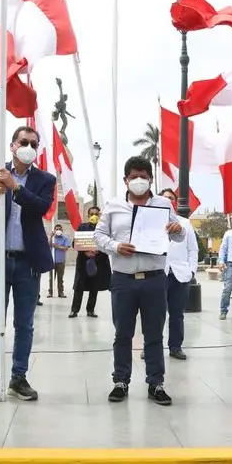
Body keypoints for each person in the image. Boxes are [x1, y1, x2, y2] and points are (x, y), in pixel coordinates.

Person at [0, 126, 57, 405]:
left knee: (24, 324)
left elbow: (40, 208)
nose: (28, 147)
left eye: (34, 144)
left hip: (27, 262)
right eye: (24, 142)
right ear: (12, 145)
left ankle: (18, 377)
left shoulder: (45, 179)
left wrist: (15, 187)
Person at [94, 156, 184, 406]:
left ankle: (156, 383)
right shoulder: (113, 206)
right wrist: (115, 246)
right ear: (125, 180)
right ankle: (120, 381)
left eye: (144, 176)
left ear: (151, 179)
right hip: (123, 279)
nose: (139, 181)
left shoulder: (164, 203)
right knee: (123, 333)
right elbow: (98, 236)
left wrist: (179, 230)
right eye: (134, 176)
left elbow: (177, 234)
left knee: (153, 334)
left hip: (154, 279)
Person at [160, 188, 197, 360]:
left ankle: (175, 347)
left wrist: (191, 270)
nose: (167, 200)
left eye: (170, 198)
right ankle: (151, 346)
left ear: (174, 202)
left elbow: (193, 249)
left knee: (177, 314)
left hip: (180, 274)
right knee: (154, 314)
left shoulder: (185, 223)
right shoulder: (152, 221)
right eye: (164, 198)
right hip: (158, 273)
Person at [70, 206, 110, 318]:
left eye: (96, 214)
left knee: (94, 287)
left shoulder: (103, 229)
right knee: (79, 287)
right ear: (88, 216)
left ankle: (90, 310)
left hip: (98, 262)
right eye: (92, 214)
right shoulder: (82, 227)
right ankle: (74, 310)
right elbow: (75, 244)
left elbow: (107, 245)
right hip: (83, 262)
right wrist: (85, 251)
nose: (94, 216)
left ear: (100, 215)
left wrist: (98, 251)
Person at [47, 224, 70, 298]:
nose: (58, 230)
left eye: (59, 229)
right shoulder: (52, 238)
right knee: (51, 278)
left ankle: (61, 292)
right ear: (54, 230)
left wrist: (56, 246)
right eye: (56, 229)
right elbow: (48, 245)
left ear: (62, 230)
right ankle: (50, 292)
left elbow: (65, 248)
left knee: (60, 278)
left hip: (61, 262)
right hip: (52, 261)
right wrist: (51, 236)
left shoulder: (65, 238)